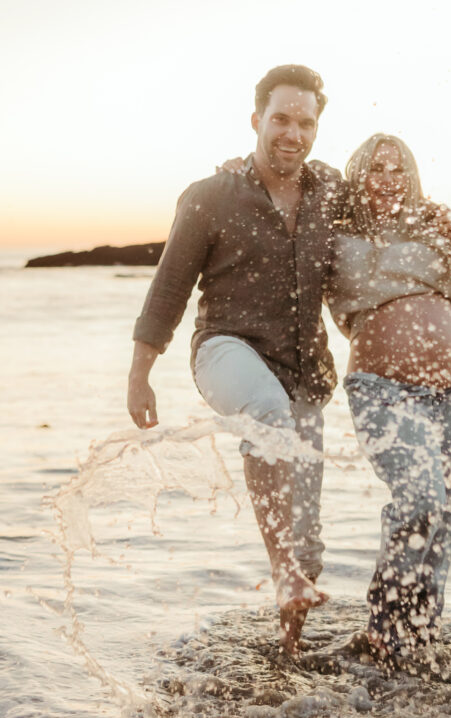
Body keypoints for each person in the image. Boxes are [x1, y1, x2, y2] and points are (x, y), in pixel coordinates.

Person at [126, 65, 345, 654]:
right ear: (256, 121)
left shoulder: (330, 192)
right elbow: (170, 288)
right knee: (266, 412)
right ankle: (282, 573)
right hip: (225, 350)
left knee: (311, 542)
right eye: (280, 119)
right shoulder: (210, 196)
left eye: (305, 122)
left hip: (305, 372)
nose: (292, 132)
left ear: (317, 129)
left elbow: (385, 206)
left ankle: (289, 647)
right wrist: (140, 375)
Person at [325, 134, 451, 668]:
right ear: (357, 175)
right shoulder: (335, 237)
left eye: (399, 169)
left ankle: (421, 630)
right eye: (376, 168)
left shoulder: (438, 231)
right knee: (420, 499)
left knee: (449, 511)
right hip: (385, 389)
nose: (388, 179)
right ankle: (383, 629)